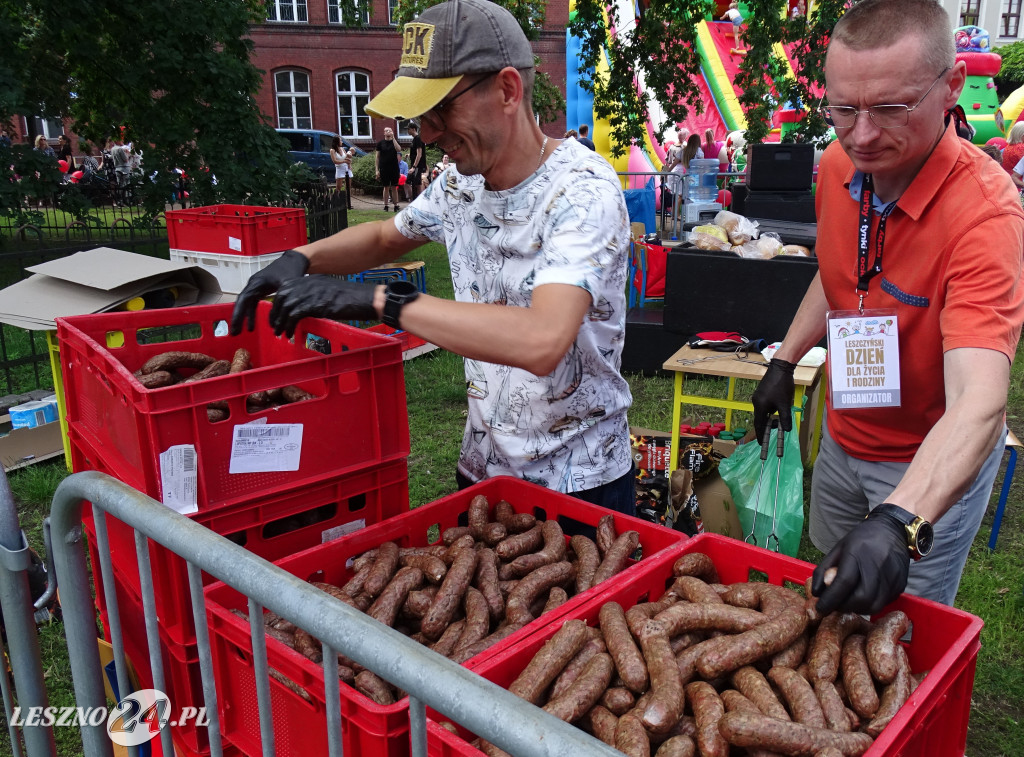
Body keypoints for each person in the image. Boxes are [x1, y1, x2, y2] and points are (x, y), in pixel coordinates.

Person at [230, 0, 635, 513]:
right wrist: (300, 257)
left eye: (441, 110)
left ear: (508, 90)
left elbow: (542, 339)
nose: (426, 132)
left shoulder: (583, 190)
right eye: (421, 115)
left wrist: (382, 301)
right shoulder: (459, 184)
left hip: (579, 483)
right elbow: (384, 236)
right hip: (482, 470)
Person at [751, 0, 1024, 616]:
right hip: (845, 436)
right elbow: (839, 271)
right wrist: (785, 360)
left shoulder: (986, 217)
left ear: (952, 85)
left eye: (891, 108)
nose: (864, 134)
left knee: (896, 632)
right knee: (826, 584)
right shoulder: (837, 164)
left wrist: (903, 518)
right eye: (844, 109)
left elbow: (980, 401)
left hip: (926, 461)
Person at [376, 125, 402, 212]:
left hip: (394, 167)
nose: (388, 132)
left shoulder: (394, 142)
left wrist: (393, 138)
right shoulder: (380, 143)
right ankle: (386, 205)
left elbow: (399, 149)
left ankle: (396, 205)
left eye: (389, 131)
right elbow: (377, 157)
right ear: (384, 133)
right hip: (384, 167)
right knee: (386, 187)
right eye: (386, 131)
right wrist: (377, 169)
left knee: (394, 186)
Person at [330, 136, 354, 209]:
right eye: (340, 141)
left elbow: (347, 157)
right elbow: (335, 161)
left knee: (348, 186)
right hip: (339, 168)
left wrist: (349, 163)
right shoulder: (332, 150)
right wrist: (344, 161)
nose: (342, 142)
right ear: (337, 142)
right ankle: (335, 201)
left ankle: (347, 203)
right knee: (338, 187)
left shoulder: (342, 149)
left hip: (346, 167)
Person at [407, 122, 428, 200]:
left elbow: (419, 154)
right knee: (416, 182)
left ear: (413, 129)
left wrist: (414, 167)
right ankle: (417, 200)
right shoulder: (415, 139)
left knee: (414, 183)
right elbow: (416, 152)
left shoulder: (418, 138)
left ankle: (417, 200)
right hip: (415, 165)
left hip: (417, 166)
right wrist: (409, 155)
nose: (407, 131)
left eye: (408, 129)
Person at [1002, 122, 1024, 190]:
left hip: (1007, 184)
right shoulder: (1021, 148)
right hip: (1019, 185)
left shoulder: (1008, 147)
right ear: (1022, 135)